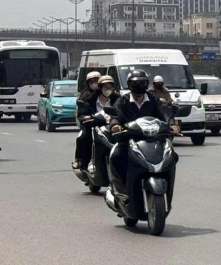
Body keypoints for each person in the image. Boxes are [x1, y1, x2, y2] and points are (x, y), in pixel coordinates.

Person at [108, 71, 179, 202]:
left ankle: (167, 186)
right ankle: (122, 190)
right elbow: (115, 116)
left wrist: (172, 124)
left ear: (146, 84)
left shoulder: (153, 99)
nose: (138, 85)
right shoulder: (123, 100)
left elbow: (164, 115)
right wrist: (115, 125)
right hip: (129, 139)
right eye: (135, 83)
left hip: (152, 140)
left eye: (142, 83)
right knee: (116, 156)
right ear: (129, 85)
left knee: (172, 157)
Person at [74, 73, 119, 170]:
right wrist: (87, 117)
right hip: (94, 125)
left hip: (113, 125)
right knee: (84, 138)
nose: (108, 89)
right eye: (105, 87)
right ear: (100, 87)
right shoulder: (89, 97)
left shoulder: (118, 98)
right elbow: (82, 112)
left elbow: (123, 110)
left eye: (110, 87)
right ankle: (82, 162)